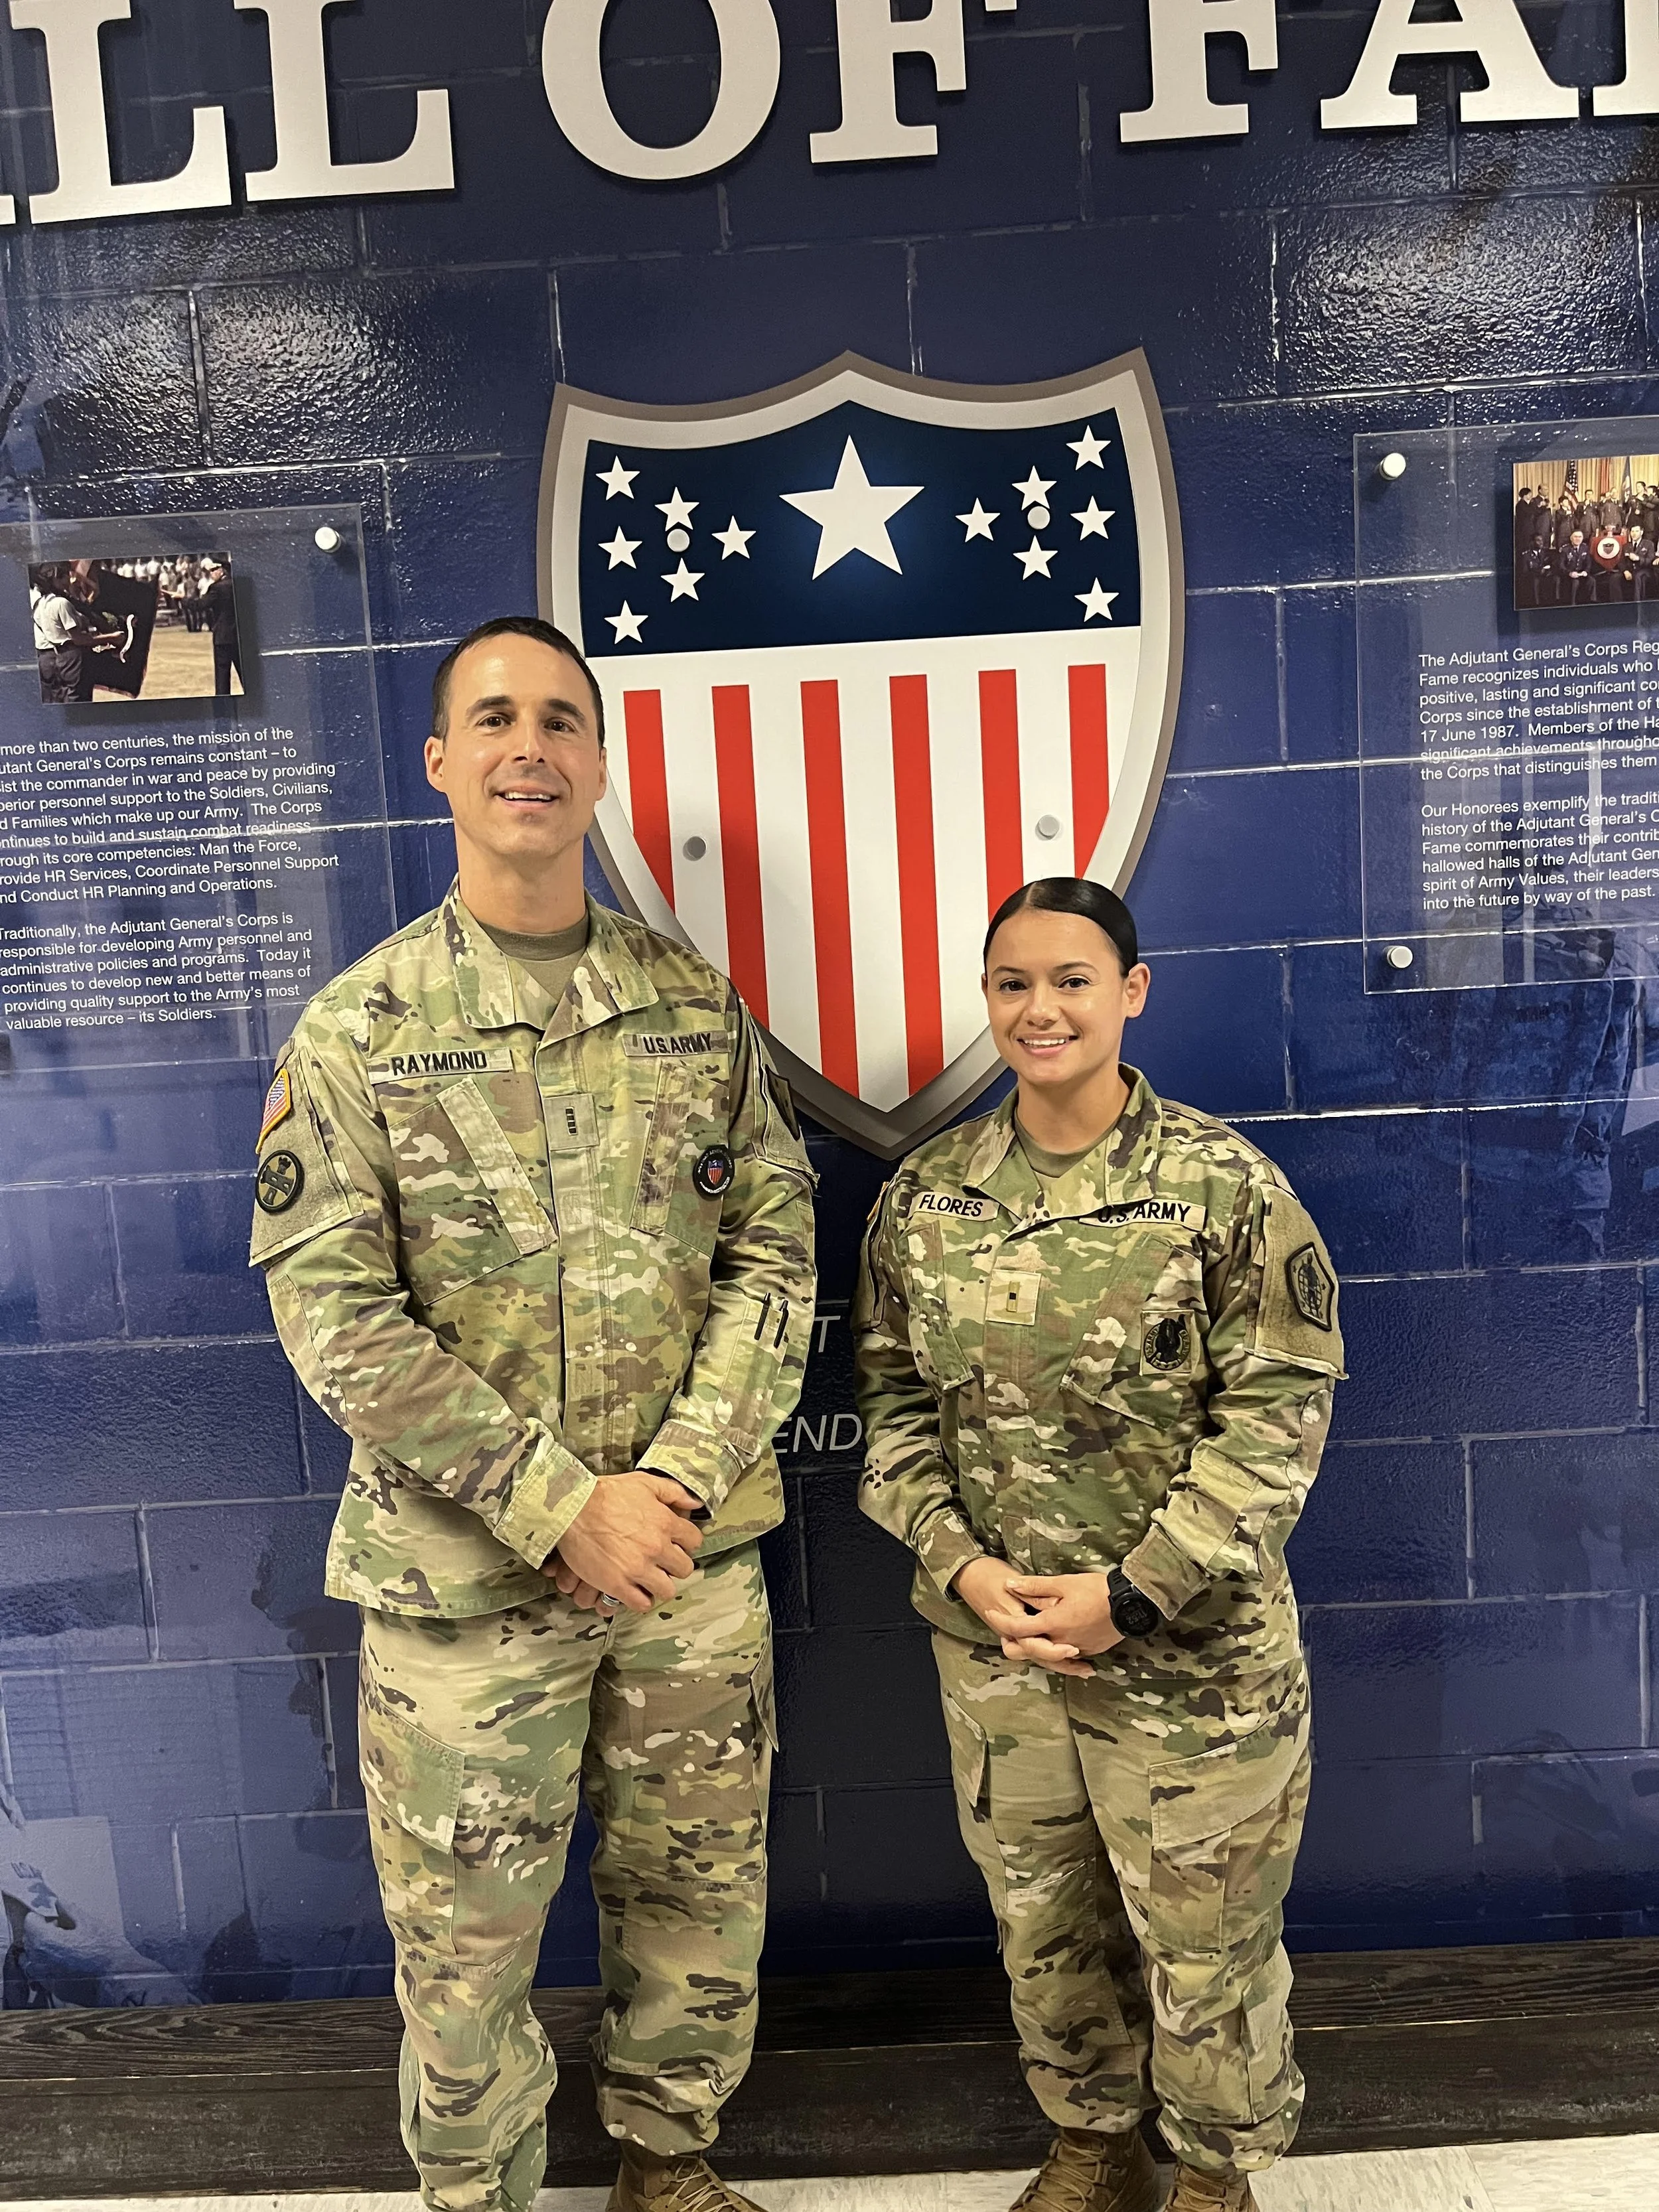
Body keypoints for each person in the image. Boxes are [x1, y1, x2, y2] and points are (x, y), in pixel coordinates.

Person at [249, 616, 817, 2212]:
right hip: (464, 1584)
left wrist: (678, 1486)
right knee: (463, 1955)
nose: (530, 746)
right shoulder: (358, 1030)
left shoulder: (691, 1007)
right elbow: (333, 1315)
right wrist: (565, 1506)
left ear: (598, 763)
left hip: (688, 1571)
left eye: (562, 720)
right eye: (494, 717)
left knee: (697, 1909)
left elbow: (775, 1253)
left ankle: (669, 2168)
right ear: (439, 761)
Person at [854, 878, 1344, 2212]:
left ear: (1130, 992)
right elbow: (888, 1400)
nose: (1039, 1007)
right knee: (1042, 1926)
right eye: (1012, 981)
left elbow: (1276, 1419)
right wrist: (957, 1561)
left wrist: (1132, 1591)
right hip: (1003, 1656)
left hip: (1189, 1662)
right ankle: (1087, 2138)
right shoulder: (926, 1196)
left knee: (1207, 1948)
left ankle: (1210, 2175)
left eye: (1071, 979)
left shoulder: (1219, 1186)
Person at [30, 563, 98, 700]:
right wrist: (110, 638)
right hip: (66, 655)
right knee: (76, 699)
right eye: (66, 576)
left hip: (49, 657)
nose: (70, 579)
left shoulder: (40, 601)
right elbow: (77, 638)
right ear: (56, 579)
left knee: (55, 700)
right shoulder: (60, 602)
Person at [202, 558, 242, 694]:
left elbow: (201, 605)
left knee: (223, 679)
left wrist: (182, 598)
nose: (211, 574)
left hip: (223, 638)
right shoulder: (237, 584)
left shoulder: (217, 588)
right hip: (239, 636)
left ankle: (224, 710)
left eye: (213, 570)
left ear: (222, 570)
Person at [1559, 528, 1595, 607]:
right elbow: (1561, 566)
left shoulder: (1585, 548)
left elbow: (1589, 563)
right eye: (1575, 537)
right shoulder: (1565, 549)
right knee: (1575, 582)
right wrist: (1570, 573)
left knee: (1592, 580)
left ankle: (1591, 603)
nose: (1578, 539)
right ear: (1571, 538)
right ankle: (1573, 604)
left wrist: (1586, 571)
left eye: (1580, 537)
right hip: (1569, 575)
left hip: (1581, 574)